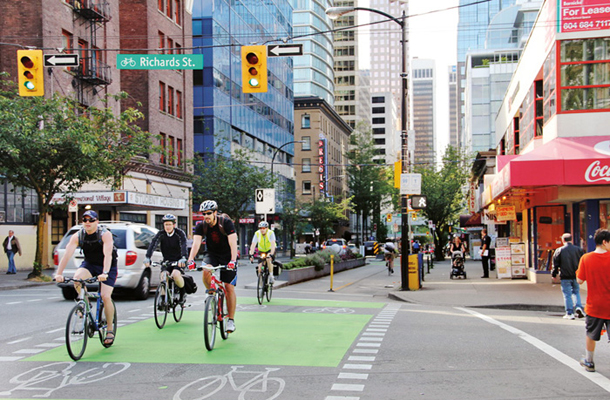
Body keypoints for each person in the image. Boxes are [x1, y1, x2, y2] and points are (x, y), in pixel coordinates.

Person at [55, 210, 117, 346]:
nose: (87, 223)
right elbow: (67, 255)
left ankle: (110, 330)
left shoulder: (105, 234)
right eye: (85, 220)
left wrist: (105, 272)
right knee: (77, 279)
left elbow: (108, 255)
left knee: (106, 296)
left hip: (107, 266)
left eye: (91, 220)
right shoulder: (78, 236)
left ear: (97, 222)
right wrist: (58, 273)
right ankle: (86, 303)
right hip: (90, 264)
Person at [187, 200, 238, 333]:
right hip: (212, 254)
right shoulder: (201, 226)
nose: (206, 216)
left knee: (228, 287)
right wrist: (191, 259)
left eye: (209, 213)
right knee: (206, 270)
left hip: (227, 255)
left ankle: (231, 320)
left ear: (215, 212)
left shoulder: (226, 223)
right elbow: (196, 243)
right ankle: (211, 294)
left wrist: (233, 260)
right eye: (204, 214)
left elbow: (233, 242)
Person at [576, 229, 610, 373]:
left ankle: (589, 362)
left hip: (594, 305)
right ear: (604, 242)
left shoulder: (586, 258)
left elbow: (579, 280)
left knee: (591, 334)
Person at [144, 214, 188, 303]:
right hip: (167, 261)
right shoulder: (161, 234)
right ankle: (164, 299)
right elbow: (153, 244)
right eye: (166, 225)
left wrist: (183, 257)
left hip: (179, 261)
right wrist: (148, 257)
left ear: (174, 225)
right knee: (163, 277)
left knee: (175, 275)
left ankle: (183, 293)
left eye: (169, 224)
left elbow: (184, 245)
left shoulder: (179, 234)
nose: (167, 227)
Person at [552, 233, 585, 320]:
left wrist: (554, 274)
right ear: (571, 239)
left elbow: (555, 264)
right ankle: (578, 307)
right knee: (576, 292)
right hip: (576, 275)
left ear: (563, 240)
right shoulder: (578, 250)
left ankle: (569, 313)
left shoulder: (559, 250)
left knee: (567, 294)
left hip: (565, 275)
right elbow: (583, 262)